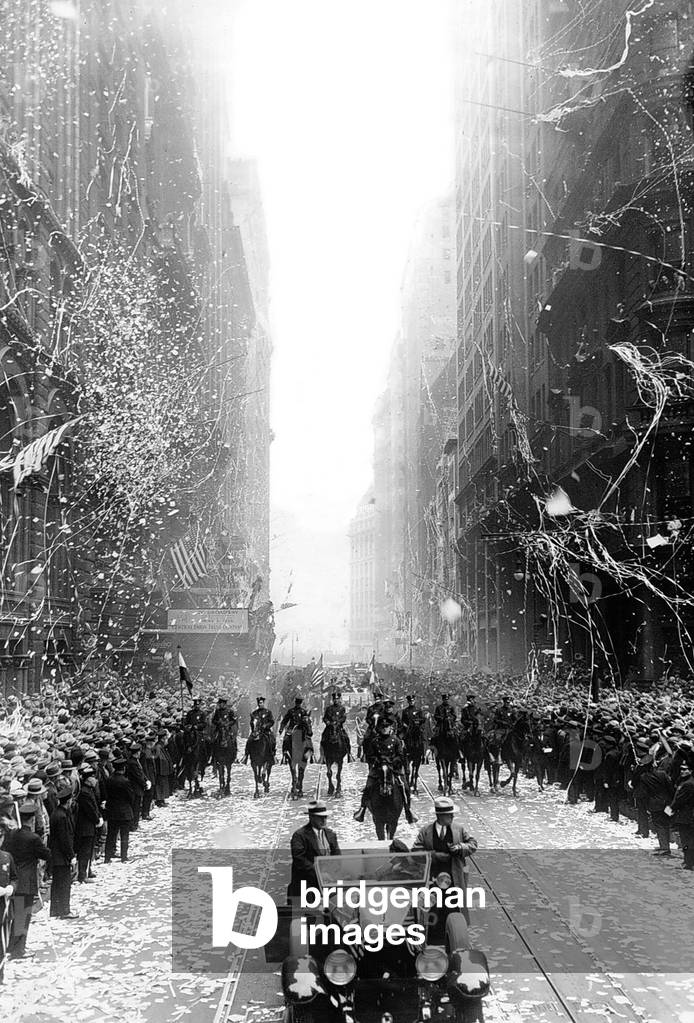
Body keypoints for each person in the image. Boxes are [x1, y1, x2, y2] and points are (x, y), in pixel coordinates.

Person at [411, 797, 478, 922]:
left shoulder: (459, 829)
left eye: (452, 814)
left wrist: (460, 848)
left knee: (453, 906)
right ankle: (433, 936)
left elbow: (473, 844)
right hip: (432, 878)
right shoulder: (425, 832)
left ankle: (453, 935)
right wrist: (434, 856)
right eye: (449, 815)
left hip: (454, 876)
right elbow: (415, 852)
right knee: (432, 906)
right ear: (439, 816)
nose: (452, 817)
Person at [4, 802, 50, 958]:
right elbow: (45, 854)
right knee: (23, 917)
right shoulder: (33, 838)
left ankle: (11, 946)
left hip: (13, 878)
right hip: (26, 880)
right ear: (31, 820)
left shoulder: (11, 835)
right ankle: (18, 950)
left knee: (15, 915)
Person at [353, 718, 417, 824]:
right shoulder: (375, 741)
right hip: (378, 768)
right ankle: (362, 809)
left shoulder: (395, 740)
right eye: (382, 727)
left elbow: (400, 755)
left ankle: (408, 810)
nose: (384, 729)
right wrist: (377, 761)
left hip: (393, 768)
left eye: (386, 727)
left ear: (390, 728)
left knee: (404, 787)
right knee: (368, 786)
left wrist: (393, 762)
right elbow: (370, 755)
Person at [288, 801, 340, 899]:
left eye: (325, 817)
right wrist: (320, 874)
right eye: (320, 817)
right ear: (311, 817)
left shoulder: (331, 835)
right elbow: (300, 861)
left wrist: (332, 874)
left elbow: (337, 857)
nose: (324, 820)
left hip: (328, 887)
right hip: (307, 888)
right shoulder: (299, 836)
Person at [48, 780, 76, 919]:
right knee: (64, 884)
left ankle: (56, 910)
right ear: (69, 800)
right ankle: (64, 910)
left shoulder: (57, 813)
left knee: (57, 884)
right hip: (61, 856)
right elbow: (64, 839)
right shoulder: (62, 816)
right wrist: (71, 856)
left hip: (57, 855)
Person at [104, 756, 135, 864]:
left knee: (111, 835)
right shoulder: (125, 781)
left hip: (112, 811)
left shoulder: (109, 780)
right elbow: (131, 796)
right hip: (124, 811)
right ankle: (124, 856)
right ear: (123, 768)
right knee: (124, 835)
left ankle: (107, 857)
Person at [75, 766, 101, 883]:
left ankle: (87, 870)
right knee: (84, 851)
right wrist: (97, 819)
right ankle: (82, 874)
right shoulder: (85, 793)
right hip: (86, 826)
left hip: (89, 825)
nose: (94, 779)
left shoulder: (89, 790)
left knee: (88, 850)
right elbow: (90, 809)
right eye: (92, 777)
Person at [666, 762, 694, 870]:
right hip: (686, 816)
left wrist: (670, 809)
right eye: (681, 769)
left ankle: (688, 862)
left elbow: (679, 800)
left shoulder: (688, 784)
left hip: (687, 817)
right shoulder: (685, 782)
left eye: (685, 769)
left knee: (687, 840)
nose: (682, 771)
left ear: (690, 771)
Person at [0, 822, 17, 983]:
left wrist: (11, 887)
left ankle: (0, 975)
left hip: (3, 907)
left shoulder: (7, 857)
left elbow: (14, 877)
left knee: (2, 943)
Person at [278, 696, 312, 763]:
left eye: (299, 703)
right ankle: (285, 753)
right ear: (295, 703)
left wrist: (308, 729)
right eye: (297, 703)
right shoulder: (291, 711)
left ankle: (311, 753)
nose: (298, 705)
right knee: (286, 739)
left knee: (308, 739)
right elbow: (285, 720)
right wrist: (281, 728)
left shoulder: (303, 711)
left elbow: (307, 721)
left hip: (301, 728)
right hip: (292, 728)